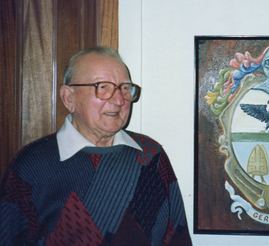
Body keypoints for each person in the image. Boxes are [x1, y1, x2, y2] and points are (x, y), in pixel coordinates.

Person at [0, 46, 192, 246]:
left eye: (125, 88)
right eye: (103, 87)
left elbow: (177, 238)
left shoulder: (151, 155)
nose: (119, 100)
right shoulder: (32, 164)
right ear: (69, 98)